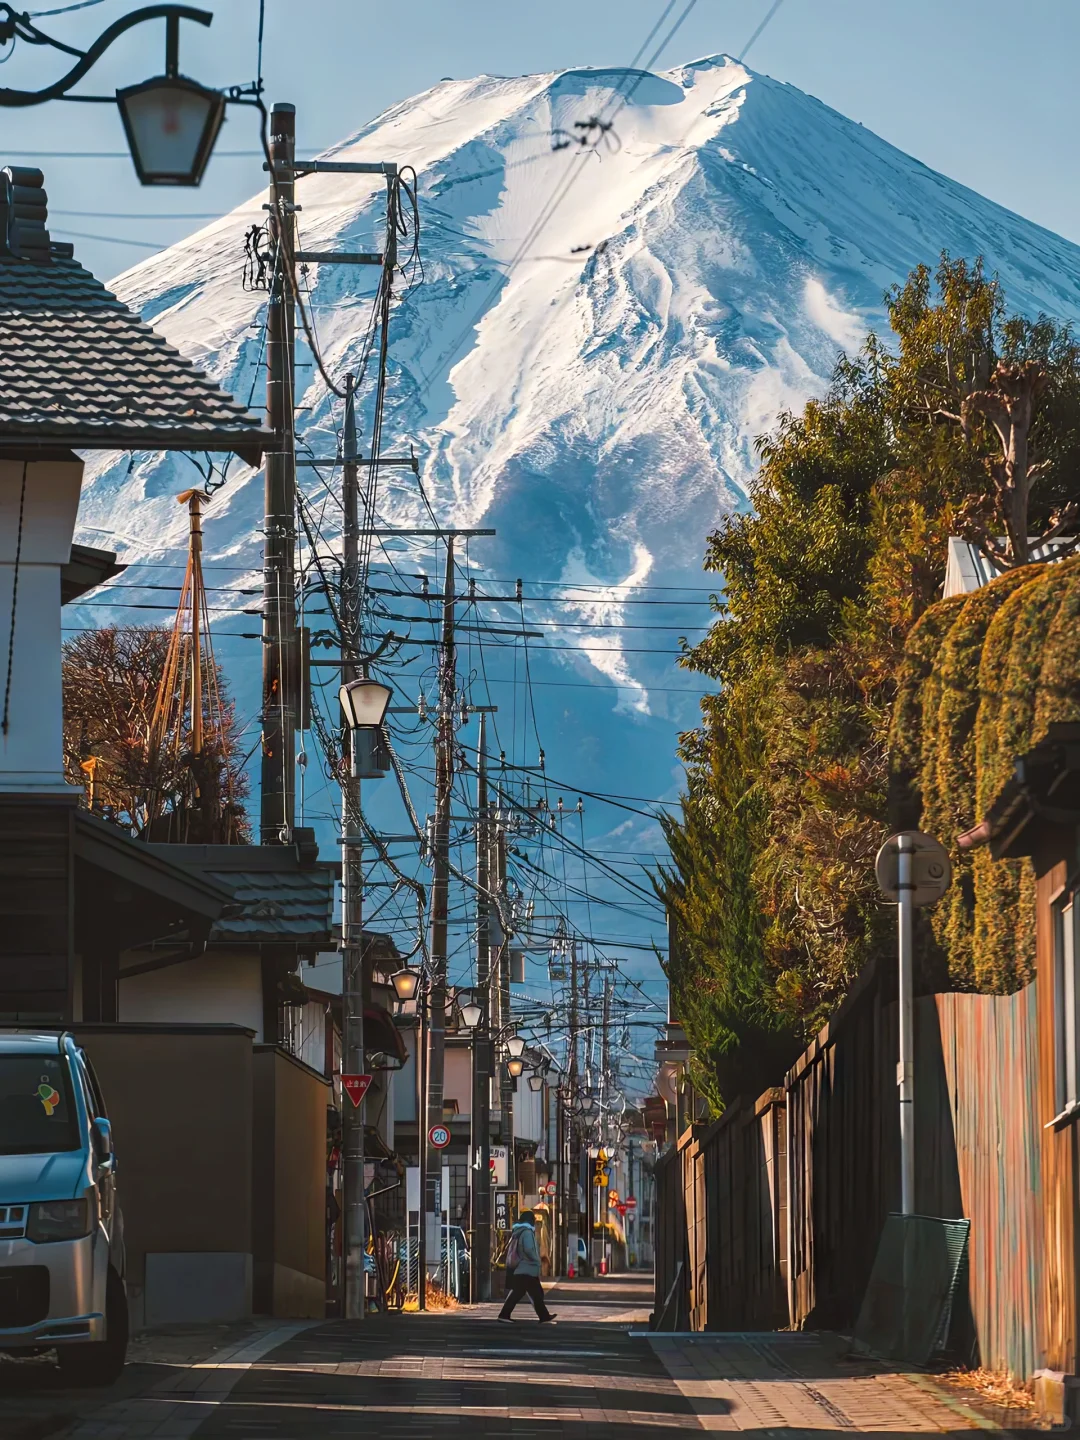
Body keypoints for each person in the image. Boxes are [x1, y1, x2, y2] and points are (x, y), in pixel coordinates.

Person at [498, 1211, 555, 1323]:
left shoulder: (518, 1232)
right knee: (530, 1293)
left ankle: (544, 1316)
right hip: (527, 1268)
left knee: (530, 1293)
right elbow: (529, 1249)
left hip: (523, 1268)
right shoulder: (527, 1232)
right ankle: (504, 1315)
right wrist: (536, 1259)